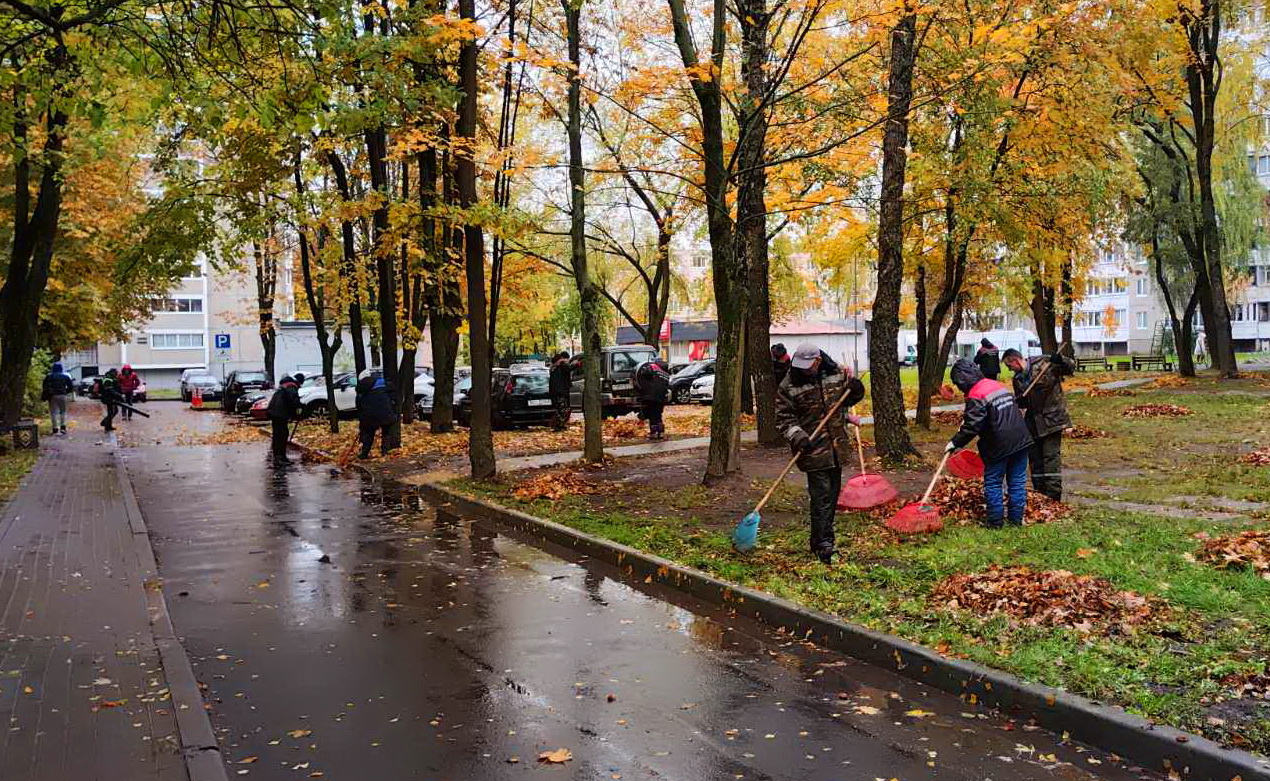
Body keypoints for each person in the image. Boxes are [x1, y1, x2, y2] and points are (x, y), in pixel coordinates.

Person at [774, 342, 865, 564]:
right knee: (821, 496)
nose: (805, 370)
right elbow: (784, 419)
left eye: (809, 365)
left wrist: (856, 390)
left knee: (831, 496)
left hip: (837, 448)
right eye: (801, 366)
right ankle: (823, 544)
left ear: (818, 360)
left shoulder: (836, 374)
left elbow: (847, 401)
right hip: (812, 450)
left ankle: (822, 539)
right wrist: (798, 436)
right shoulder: (789, 384)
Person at [947, 358, 1033, 528]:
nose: (958, 387)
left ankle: (995, 523)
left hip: (999, 445)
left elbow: (972, 425)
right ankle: (1015, 521)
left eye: (958, 383)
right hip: (1022, 439)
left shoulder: (976, 394)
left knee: (993, 482)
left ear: (962, 379)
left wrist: (954, 443)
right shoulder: (996, 384)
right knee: (1017, 482)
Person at [1004, 348, 1075, 501]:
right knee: (1035, 460)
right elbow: (1022, 403)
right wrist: (1018, 401)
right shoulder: (1017, 380)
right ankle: (1040, 496)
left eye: (1009, 366)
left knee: (1050, 458)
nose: (1009, 370)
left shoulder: (1045, 363)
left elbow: (1070, 368)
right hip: (1032, 424)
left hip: (1052, 420)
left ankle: (1053, 498)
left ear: (1015, 360)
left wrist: (1061, 360)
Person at [355, 372, 399, 458]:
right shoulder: (384, 384)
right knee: (386, 433)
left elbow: (359, 406)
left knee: (369, 434)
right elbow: (394, 397)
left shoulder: (361, 390)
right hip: (386, 414)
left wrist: (362, 419)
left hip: (369, 416)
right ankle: (385, 452)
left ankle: (364, 454)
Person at [266, 374, 303, 464]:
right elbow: (293, 400)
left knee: (277, 434)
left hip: (273, 411)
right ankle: (280, 457)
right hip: (280, 413)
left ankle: (277, 455)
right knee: (282, 434)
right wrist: (299, 406)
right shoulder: (291, 386)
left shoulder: (283, 386)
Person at [634, 357, 671, 440]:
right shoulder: (666, 374)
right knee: (658, 414)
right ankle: (661, 432)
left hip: (651, 395)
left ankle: (653, 433)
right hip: (662, 397)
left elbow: (644, 373)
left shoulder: (653, 367)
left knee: (651, 414)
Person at [41, 362, 74, 435]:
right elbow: (71, 387)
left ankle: (55, 428)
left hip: (52, 396)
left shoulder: (49, 376)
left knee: (53, 412)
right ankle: (63, 427)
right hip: (62, 395)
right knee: (63, 411)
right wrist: (65, 391)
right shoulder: (65, 377)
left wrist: (47, 394)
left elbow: (45, 387)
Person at [549, 351, 573, 431]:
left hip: (558, 392)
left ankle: (559, 425)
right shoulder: (561, 367)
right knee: (562, 410)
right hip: (560, 392)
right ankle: (558, 426)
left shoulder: (554, 369)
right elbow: (569, 368)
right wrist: (577, 364)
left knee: (561, 409)